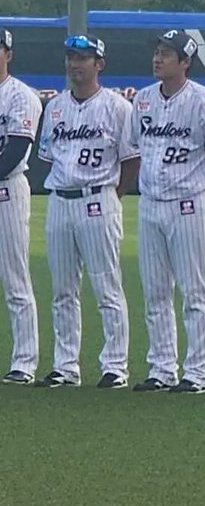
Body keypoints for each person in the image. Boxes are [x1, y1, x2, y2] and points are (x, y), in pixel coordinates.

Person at [129, 30, 205, 394]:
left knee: (194, 290)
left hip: (189, 203)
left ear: (186, 62)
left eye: (166, 54)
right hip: (151, 204)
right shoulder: (143, 99)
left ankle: (199, 373)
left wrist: (203, 188)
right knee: (155, 291)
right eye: (157, 52)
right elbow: (136, 146)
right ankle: (161, 369)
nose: (158, 58)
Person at [35, 34, 138, 389]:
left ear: (99, 64)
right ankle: (65, 366)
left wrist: (113, 195)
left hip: (98, 197)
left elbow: (131, 159)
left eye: (82, 58)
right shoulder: (55, 107)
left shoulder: (118, 107)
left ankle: (116, 366)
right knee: (62, 290)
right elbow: (48, 156)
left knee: (107, 286)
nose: (74, 64)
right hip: (60, 199)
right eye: (71, 57)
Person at [0, 27, 42, 386]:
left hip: (7, 190)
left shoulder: (21, 96)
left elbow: (14, 152)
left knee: (15, 278)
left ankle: (24, 362)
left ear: (8, 54)